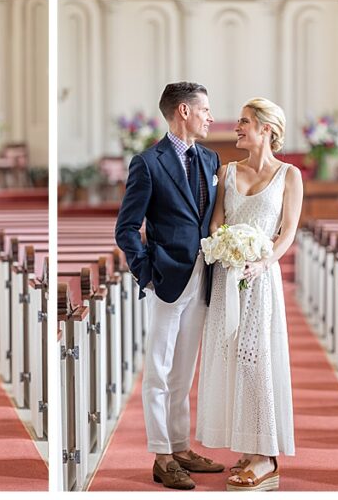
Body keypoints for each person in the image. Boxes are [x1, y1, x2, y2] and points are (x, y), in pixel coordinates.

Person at [115, 82, 225, 490]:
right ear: (183, 111)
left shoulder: (212, 159)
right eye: (206, 110)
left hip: (204, 276)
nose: (211, 117)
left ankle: (181, 446)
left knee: (184, 372)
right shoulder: (147, 163)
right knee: (158, 372)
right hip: (166, 278)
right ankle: (161, 455)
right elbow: (126, 228)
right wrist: (146, 273)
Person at [196, 97, 303, 492]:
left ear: (266, 130)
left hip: (260, 279)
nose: (236, 127)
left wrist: (263, 262)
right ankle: (247, 444)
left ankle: (266, 457)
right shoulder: (227, 172)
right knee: (230, 360)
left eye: (244, 122)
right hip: (227, 277)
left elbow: (287, 230)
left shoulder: (290, 175)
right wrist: (225, 248)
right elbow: (217, 222)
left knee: (256, 361)